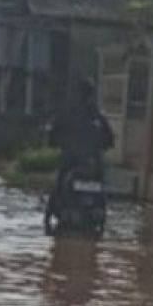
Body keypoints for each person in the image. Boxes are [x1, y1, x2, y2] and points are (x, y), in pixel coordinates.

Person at [44, 78, 115, 234]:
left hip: (72, 163)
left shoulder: (68, 112)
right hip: (93, 165)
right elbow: (110, 140)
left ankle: (48, 220)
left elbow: (53, 135)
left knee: (58, 185)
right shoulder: (97, 116)